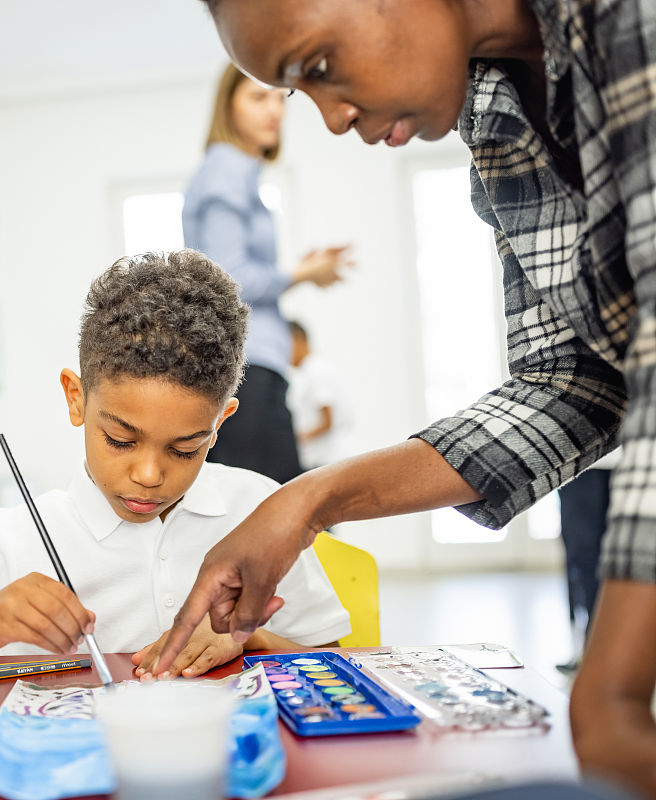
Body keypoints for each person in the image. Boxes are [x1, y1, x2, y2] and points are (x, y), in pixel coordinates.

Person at [154, 1, 656, 795]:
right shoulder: (495, 110)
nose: (331, 117)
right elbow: (573, 379)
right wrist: (309, 502)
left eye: (315, 67)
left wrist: (616, 686)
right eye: (294, 92)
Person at [0, 250, 350, 677]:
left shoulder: (261, 511)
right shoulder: (23, 535)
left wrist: (247, 636)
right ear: (77, 399)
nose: (148, 474)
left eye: (185, 449)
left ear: (220, 423)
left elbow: (331, 657)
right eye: (121, 439)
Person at [182, 63, 353, 484]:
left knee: (266, 507)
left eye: (280, 98)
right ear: (228, 106)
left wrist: (300, 272)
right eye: (258, 97)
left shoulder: (237, 173)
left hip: (252, 364)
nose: (274, 109)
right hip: (248, 365)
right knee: (276, 509)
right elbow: (230, 281)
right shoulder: (227, 169)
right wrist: (303, 273)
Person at [556, 451, 619, 674]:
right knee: (583, 558)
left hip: (637, 460)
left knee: (624, 559)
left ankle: (605, 652)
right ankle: (593, 651)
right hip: (581, 460)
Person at [287, 320, 345, 471]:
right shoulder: (310, 370)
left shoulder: (316, 370)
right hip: (320, 462)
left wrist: (293, 439)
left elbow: (328, 420)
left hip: (323, 462)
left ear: (296, 339)